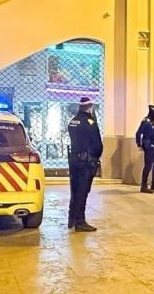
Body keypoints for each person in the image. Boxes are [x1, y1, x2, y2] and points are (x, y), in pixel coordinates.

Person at [67, 97, 103, 232]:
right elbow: (97, 144)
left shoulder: (73, 121)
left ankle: (71, 219)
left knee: (74, 190)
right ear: (90, 107)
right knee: (82, 191)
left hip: (74, 160)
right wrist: (95, 158)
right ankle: (80, 221)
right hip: (85, 162)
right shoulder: (90, 122)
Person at [135, 104, 154, 193]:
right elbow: (138, 133)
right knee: (148, 166)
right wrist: (139, 144)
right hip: (149, 146)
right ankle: (143, 186)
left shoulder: (153, 122)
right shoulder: (146, 121)